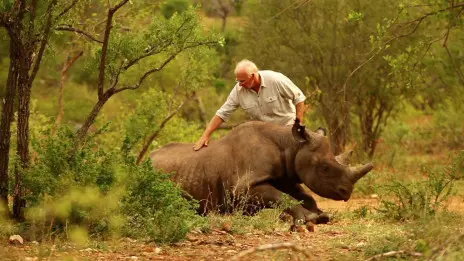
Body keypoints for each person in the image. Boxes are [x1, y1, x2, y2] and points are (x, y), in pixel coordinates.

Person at [193, 59, 306, 151]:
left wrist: (298, 124)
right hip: (264, 136)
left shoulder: (276, 80)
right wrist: (206, 135)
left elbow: (299, 98)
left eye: (242, 81)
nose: (240, 85)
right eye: (237, 81)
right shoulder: (238, 90)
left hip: (286, 129)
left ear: (253, 76)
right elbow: (222, 113)